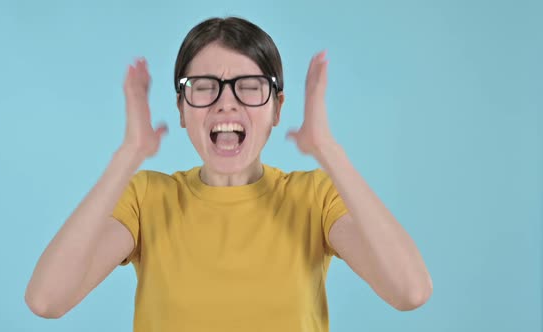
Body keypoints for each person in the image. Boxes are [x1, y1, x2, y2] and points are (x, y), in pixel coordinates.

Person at [25, 16, 432, 332]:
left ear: (277, 107)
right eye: (204, 86)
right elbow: (47, 300)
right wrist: (129, 155)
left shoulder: (314, 198)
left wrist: (329, 151)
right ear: (183, 109)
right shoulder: (147, 199)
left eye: (249, 86)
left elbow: (409, 291)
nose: (226, 103)